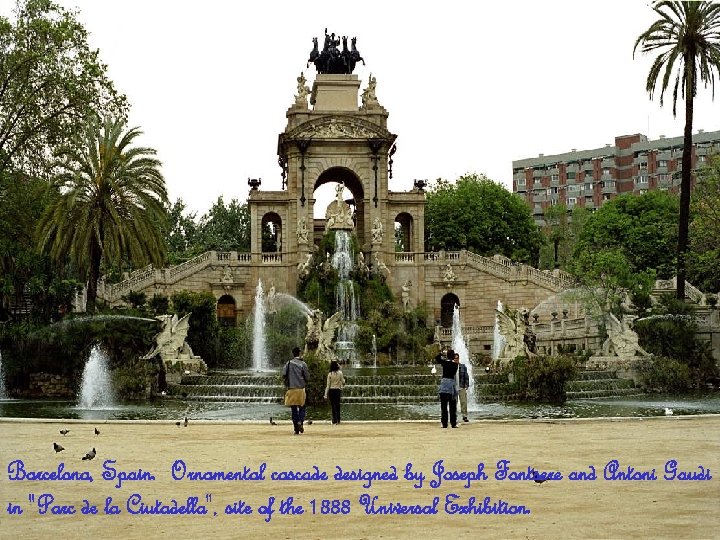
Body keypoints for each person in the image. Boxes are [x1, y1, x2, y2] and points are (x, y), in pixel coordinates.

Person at [283, 347, 310, 435]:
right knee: (302, 407)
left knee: (294, 409)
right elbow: (307, 377)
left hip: (291, 389)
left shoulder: (288, 363)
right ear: (299, 353)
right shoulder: (303, 364)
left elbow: (284, 374)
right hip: (300, 389)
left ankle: (296, 429)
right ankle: (300, 422)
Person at [434, 348, 459, 428]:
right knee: (452, 406)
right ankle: (453, 423)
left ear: (447, 356)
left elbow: (437, 358)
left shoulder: (444, 363)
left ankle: (444, 424)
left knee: (444, 406)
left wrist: (442, 353)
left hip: (444, 385)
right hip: (451, 386)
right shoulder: (455, 365)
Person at [324, 360, 345, 424]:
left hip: (331, 391)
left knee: (333, 406)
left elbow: (328, 385)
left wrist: (325, 394)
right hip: (337, 390)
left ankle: (334, 419)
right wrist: (343, 382)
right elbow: (343, 382)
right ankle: (338, 419)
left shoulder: (330, 374)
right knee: (338, 405)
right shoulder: (340, 373)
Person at [456, 353, 470, 422]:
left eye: (457, 358)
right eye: (455, 358)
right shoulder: (451, 366)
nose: (456, 360)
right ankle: (454, 415)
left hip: (461, 386)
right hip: (454, 387)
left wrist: (467, 384)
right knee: (453, 402)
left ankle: (464, 416)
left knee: (463, 402)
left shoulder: (462, 366)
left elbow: (466, 376)